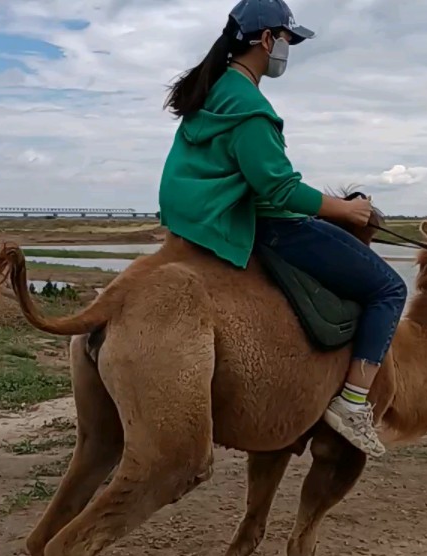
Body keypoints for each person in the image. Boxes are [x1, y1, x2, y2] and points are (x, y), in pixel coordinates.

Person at [158, 0, 407, 457]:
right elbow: (277, 187)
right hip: (266, 224)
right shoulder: (250, 107)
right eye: (288, 40)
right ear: (268, 39)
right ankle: (353, 402)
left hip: (211, 221)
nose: (289, 50)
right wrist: (346, 212)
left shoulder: (212, 95)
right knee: (389, 289)